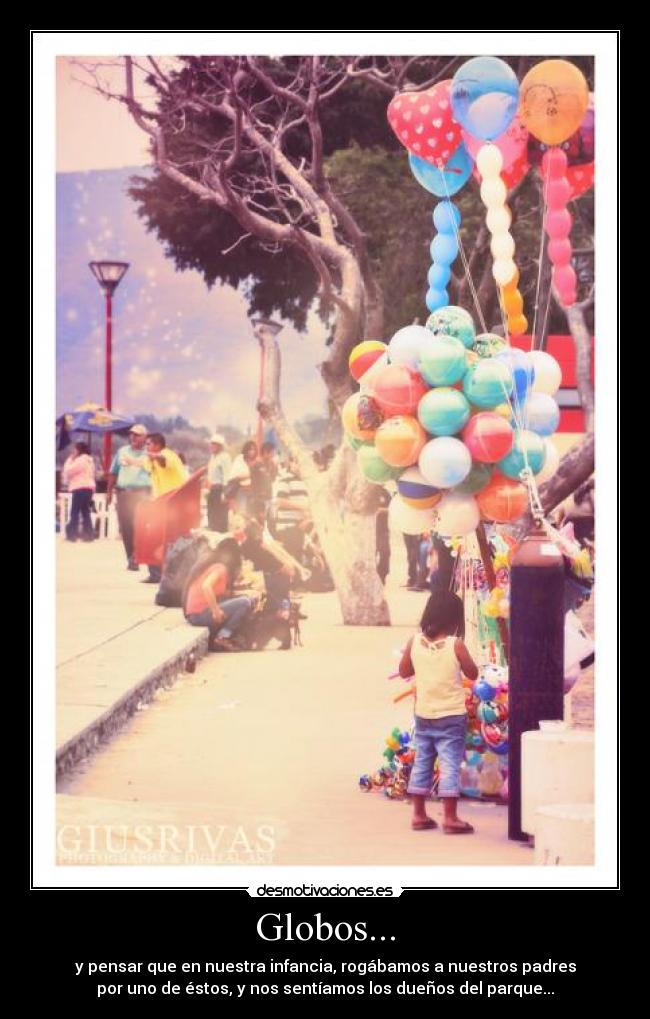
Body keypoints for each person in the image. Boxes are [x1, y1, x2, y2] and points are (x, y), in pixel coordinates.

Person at [399, 589, 478, 834]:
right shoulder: (456, 645)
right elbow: (473, 674)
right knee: (450, 763)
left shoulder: (414, 642)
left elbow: (403, 671)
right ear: (455, 620)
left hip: (423, 714)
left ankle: (419, 814)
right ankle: (451, 818)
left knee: (422, 761)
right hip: (451, 716)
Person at [183, 538, 257, 652]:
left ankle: (226, 635)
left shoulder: (215, 566)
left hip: (196, 614)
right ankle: (223, 636)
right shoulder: (220, 568)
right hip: (198, 615)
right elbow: (206, 587)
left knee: (245, 599)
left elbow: (222, 593)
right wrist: (216, 610)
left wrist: (242, 593)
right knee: (245, 602)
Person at [138, 433, 187, 583]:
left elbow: (163, 460)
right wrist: (130, 461)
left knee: (163, 538)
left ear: (157, 445)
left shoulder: (168, 455)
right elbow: (141, 462)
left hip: (172, 503)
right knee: (155, 537)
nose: (146, 447)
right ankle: (156, 573)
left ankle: (162, 573)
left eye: (148, 444)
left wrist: (154, 456)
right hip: (162, 503)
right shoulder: (151, 458)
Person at [106, 424, 151, 570]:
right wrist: (109, 492)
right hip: (123, 493)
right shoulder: (122, 451)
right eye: (131, 434)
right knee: (125, 528)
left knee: (140, 526)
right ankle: (131, 558)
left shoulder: (149, 453)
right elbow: (113, 472)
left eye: (137, 435)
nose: (133, 437)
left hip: (142, 494)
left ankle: (136, 557)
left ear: (145, 437)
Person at [271, 457, 310, 562]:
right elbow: (280, 501)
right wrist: (301, 507)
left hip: (300, 527)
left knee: (298, 560)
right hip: (288, 527)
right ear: (291, 463)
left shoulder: (303, 482)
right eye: (296, 462)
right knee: (291, 560)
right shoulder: (285, 479)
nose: (299, 466)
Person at [62, 441, 96, 542]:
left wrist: (70, 459)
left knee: (75, 512)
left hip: (79, 488)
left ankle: (72, 536)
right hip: (89, 488)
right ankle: (89, 535)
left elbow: (68, 471)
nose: (73, 451)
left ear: (79, 450)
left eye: (75, 449)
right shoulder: (90, 461)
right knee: (85, 512)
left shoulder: (80, 460)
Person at [206, 433, 232, 532]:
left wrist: (225, 494)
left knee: (220, 518)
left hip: (220, 490)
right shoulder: (213, 457)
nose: (211, 446)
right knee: (211, 516)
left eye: (214, 444)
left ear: (220, 446)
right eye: (211, 444)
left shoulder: (225, 457)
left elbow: (227, 476)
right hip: (212, 490)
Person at [226, 440, 258, 517]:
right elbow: (234, 476)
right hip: (241, 491)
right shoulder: (239, 459)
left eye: (253, 449)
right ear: (246, 450)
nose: (252, 452)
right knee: (241, 513)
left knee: (251, 514)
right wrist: (249, 475)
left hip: (253, 492)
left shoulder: (256, 462)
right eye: (250, 449)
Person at [249, 441, 278, 520]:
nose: (273, 454)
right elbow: (253, 481)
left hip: (269, 497)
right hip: (258, 498)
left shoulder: (273, 465)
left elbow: (273, 479)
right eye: (271, 452)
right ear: (265, 452)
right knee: (259, 521)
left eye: (273, 452)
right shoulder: (256, 464)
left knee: (270, 522)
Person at [375, 487, 391, 585]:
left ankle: (382, 575)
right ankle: (372, 576)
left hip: (383, 530)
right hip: (369, 531)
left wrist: (381, 510)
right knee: (371, 554)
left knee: (385, 553)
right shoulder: (366, 493)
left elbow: (392, 509)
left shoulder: (385, 493)